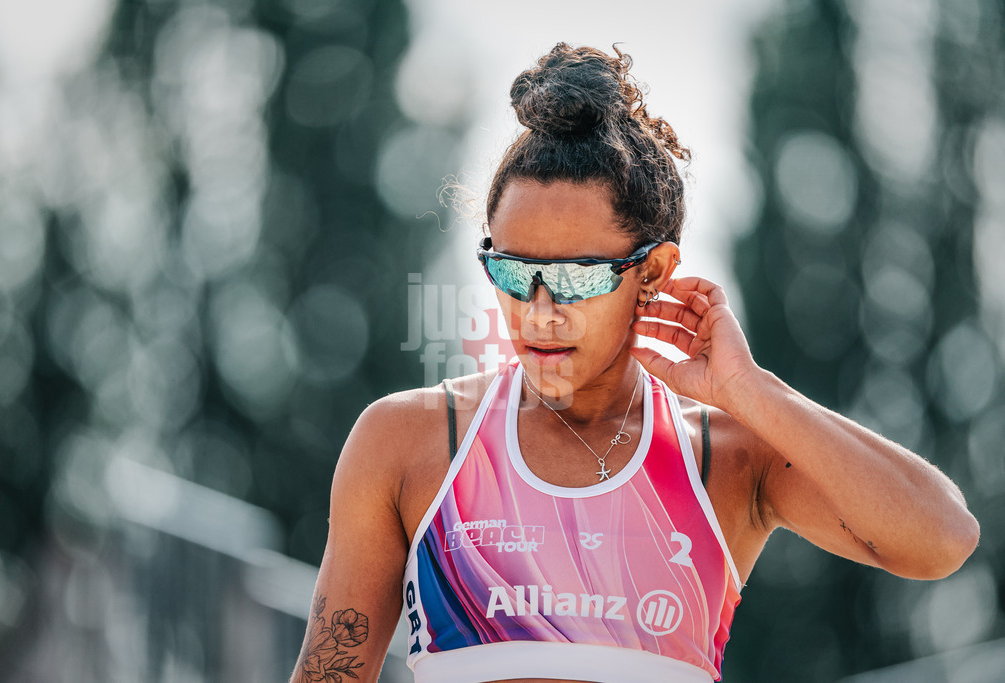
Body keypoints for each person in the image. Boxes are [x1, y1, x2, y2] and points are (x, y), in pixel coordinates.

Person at [289, 43, 979, 683]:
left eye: (577, 278)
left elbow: (943, 539)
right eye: (512, 271)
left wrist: (750, 390)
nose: (539, 312)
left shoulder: (727, 457)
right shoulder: (409, 443)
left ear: (652, 271)